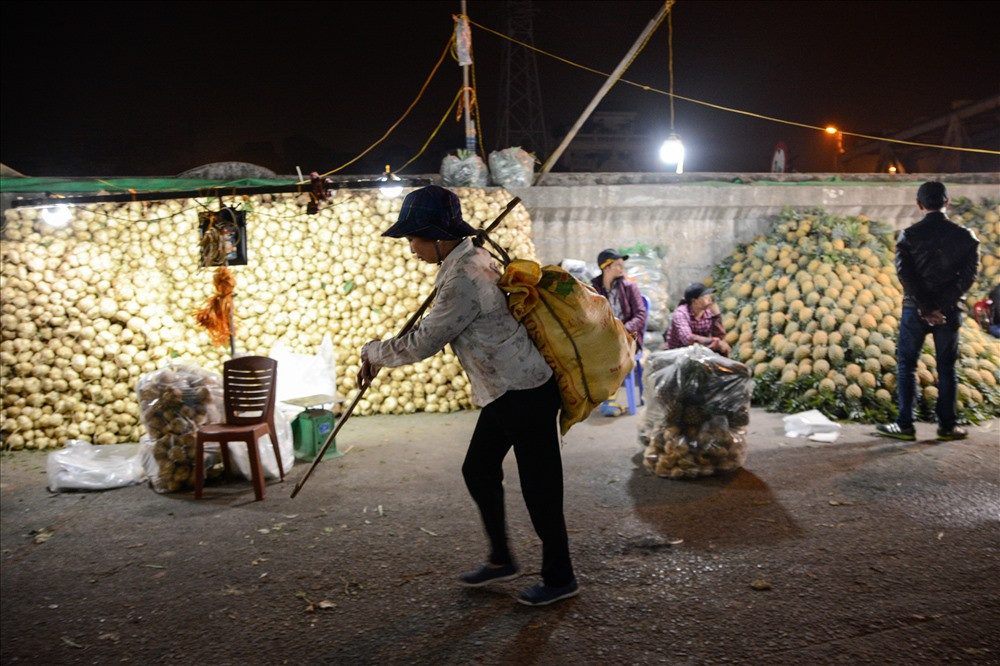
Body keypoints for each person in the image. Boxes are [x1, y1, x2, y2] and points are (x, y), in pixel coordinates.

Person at [358, 185, 579, 606]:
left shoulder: (464, 275)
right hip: (503, 391)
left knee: (541, 486)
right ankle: (500, 558)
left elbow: (424, 342)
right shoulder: (470, 258)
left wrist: (374, 352)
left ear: (439, 236)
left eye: (414, 238)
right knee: (478, 469)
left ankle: (560, 577)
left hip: (525, 390)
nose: (411, 248)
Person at [876, 181, 980, 442]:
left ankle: (905, 425)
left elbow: (905, 276)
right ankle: (947, 427)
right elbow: (967, 278)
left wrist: (926, 306)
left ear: (919, 205)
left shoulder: (908, 236)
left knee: (907, 366)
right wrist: (941, 306)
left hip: (915, 311)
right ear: (947, 202)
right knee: (947, 368)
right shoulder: (966, 237)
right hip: (949, 312)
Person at [589, 249, 647, 416]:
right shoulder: (593, 289)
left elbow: (640, 314)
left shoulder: (629, 287)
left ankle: (609, 400)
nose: (622, 268)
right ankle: (597, 396)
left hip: (627, 336)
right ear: (606, 267)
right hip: (604, 337)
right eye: (618, 265)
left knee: (613, 352)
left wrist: (623, 329)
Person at [663, 282, 731, 356]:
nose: (709, 299)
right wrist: (713, 341)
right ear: (695, 301)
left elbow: (720, 338)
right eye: (705, 297)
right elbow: (687, 339)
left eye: (709, 296)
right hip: (676, 354)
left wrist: (717, 316)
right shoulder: (681, 313)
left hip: (698, 353)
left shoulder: (708, 313)